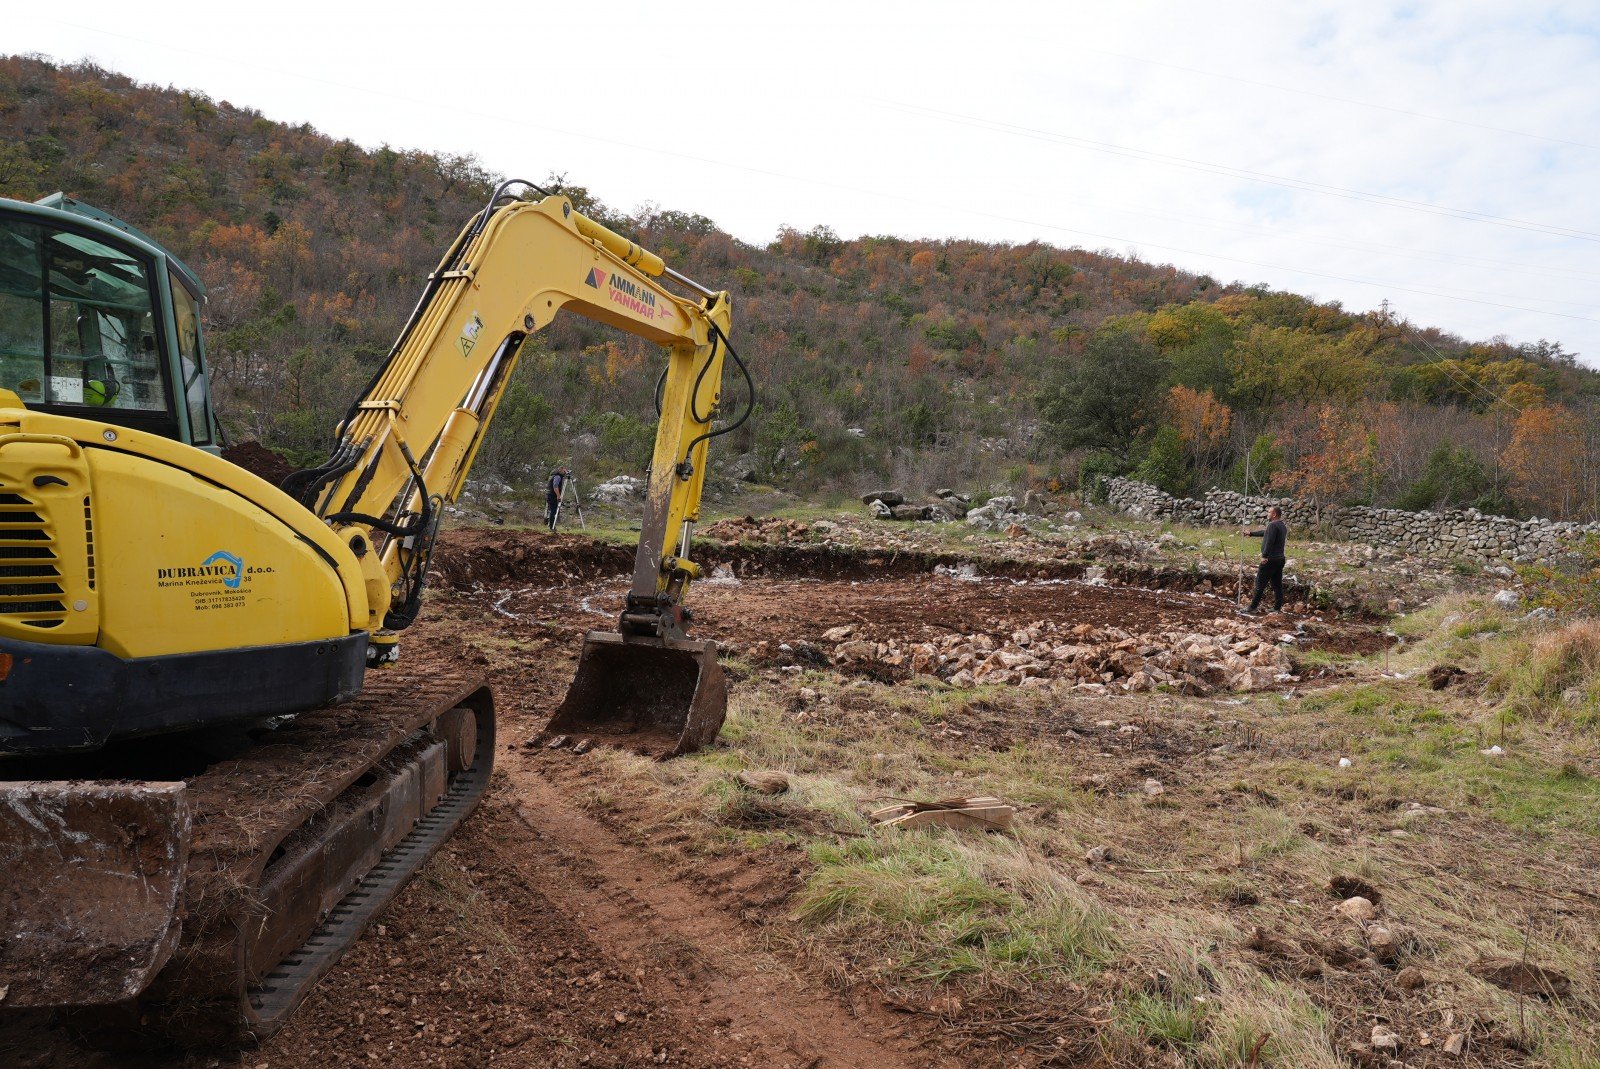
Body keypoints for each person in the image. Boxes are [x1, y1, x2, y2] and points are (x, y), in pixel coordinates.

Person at [1243, 505, 1288, 614]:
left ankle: (1252, 607)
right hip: (1280, 559)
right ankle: (1277, 608)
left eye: (1269, 512)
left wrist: (1265, 556)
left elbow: (1270, 541)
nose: (1267, 514)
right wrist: (1251, 533)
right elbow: (1265, 533)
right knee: (1277, 585)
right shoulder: (1282, 525)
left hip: (1270, 560)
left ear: (1274, 514)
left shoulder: (1272, 525)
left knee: (1260, 584)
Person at [545, 467, 572, 532]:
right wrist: (558, 496)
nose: (565, 472)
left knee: (552, 510)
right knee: (553, 511)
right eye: (564, 470)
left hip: (549, 494)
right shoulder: (558, 476)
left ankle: (551, 525)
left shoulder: (553, 475)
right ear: (561, 469)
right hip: (553, 496)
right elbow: (555, 486)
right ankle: (552, 527)